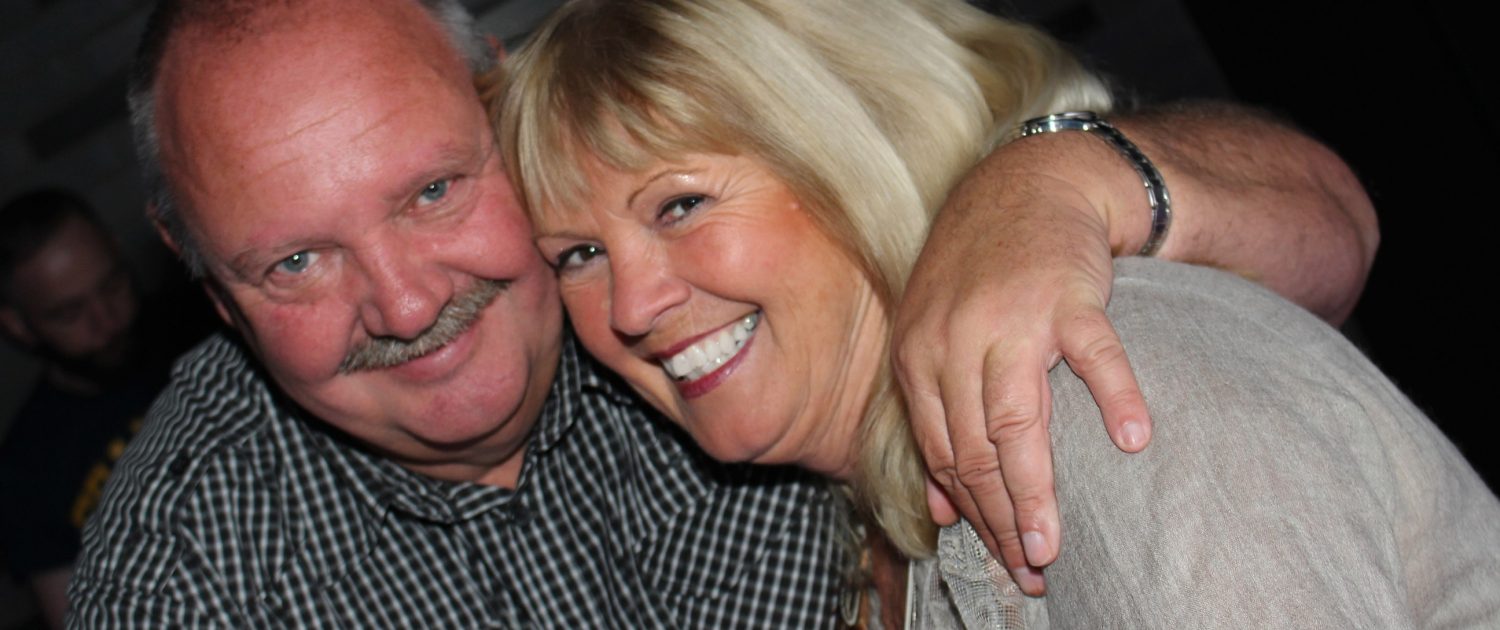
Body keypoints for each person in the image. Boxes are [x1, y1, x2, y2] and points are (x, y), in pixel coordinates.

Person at [70, 0, 1374, 626]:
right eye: (296, 261)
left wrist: (1056, 183)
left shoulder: (755, 296)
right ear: (205, 281)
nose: (407, 301)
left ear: (498, 105)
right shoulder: (191, 576)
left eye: (432, 190)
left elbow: (1329, 232)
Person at [498, 0, 1500, 626]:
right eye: (578, 255)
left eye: (680, 205)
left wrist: (1065, 177)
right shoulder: (841, 523)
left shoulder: (1086, 390)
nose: (631, 306)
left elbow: (1339, 220)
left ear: (853, 148)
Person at [0, 189, 208, 629]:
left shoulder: (207, 322)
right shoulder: (26, 472)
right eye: (69, 313)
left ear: (117, 248)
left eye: (112, 284)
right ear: (17, 325)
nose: (107, 321)